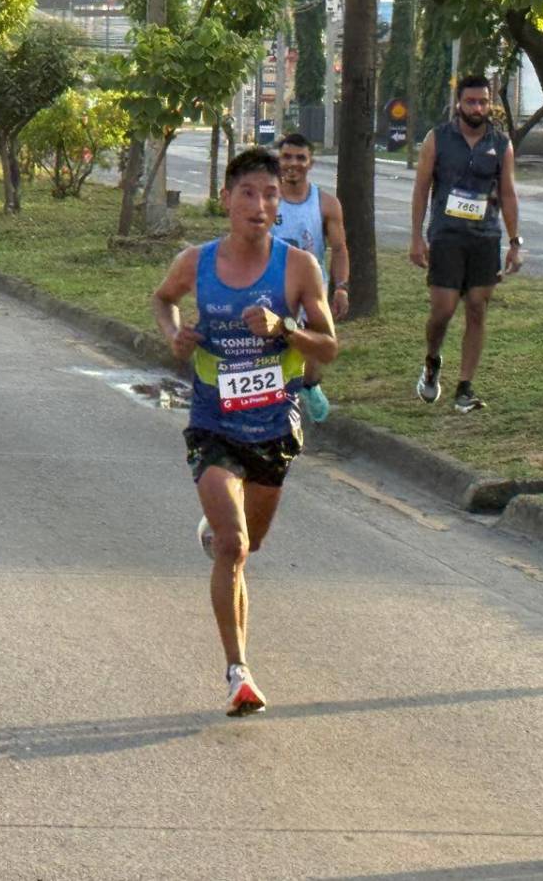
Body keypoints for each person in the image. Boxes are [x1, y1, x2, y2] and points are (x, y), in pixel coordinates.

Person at [152, 148, 338, 718]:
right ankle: (238, 673)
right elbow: (163, 300)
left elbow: (329, 346)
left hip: (274, 426)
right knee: (232, 546)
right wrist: (175, 336)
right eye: (249, 194)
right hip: (213, 422)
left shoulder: (298, 267)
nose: (260, 205)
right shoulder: (197, 262)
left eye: (271, 195)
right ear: (227, 199)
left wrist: (286, 330)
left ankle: (221, 530)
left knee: (249, 545)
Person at [410, 74, 522, 414]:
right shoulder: (438, 139)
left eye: (483, 102)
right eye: (471, 102)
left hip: (485, 238)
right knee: (443, 311)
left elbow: (508, 194)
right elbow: (421, 188)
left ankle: (464, 387)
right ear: (458, 103)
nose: (477, 108)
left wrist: (514, 242)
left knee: (476, 307)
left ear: (490, 105)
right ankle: (432, 360)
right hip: (446, 236)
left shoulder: (501, 144)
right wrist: (416, 237)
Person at [271, 132, 349, 423]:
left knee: (314, 347)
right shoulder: (266, 199)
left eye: (300, 158)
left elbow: (339, 249)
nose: (293, 163)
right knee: (273, 347)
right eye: (286, 157)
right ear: (278, 161)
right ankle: (271, 404)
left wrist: (341, 288)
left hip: (311, 288)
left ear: (310, 163)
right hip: (271, 286)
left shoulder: (326, 204)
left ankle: (310, 386)